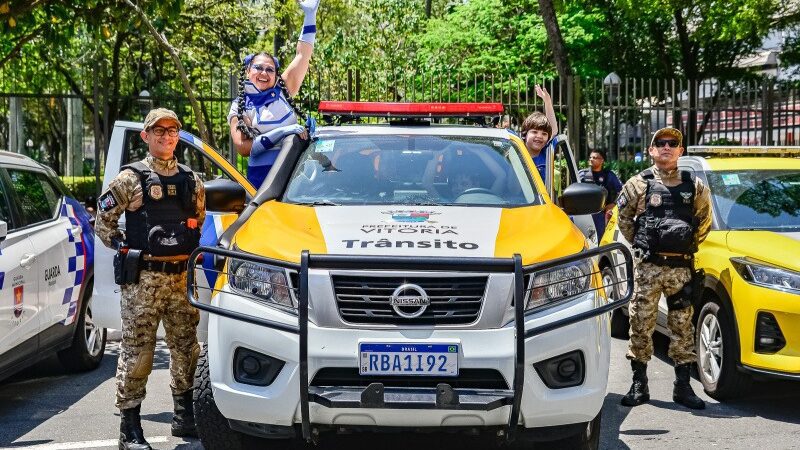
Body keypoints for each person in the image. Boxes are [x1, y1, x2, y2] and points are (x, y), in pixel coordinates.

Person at [96, 108, 206, 449]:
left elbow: (198, 221)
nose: (166, 136)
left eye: (172, 130)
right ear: (145, 136)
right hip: (143, 282)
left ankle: (183, 415)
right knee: (138, 353)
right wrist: (124, 248)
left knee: (186, 349)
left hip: (180, 280)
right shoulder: (129, 179)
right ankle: (129, 429)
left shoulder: (191, 180)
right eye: (158, 131)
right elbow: (103, 224)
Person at [616, 127, 711, 410]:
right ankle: (639, 384)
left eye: (673, 143)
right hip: (648, 268)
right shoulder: (637, 184)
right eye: (660, 143)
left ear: (681, 151)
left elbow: (703, 222)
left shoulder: (694, 186)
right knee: (640, 325)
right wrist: (645, 244)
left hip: (680, 270)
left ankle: (683, 386)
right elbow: (624, 220)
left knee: (682, 327)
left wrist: (682, 244)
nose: (666, 147)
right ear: (651, 150)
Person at [229, 0, 320, 188]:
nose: (264, 73)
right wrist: (282, 133)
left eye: (270, 70)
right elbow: (243, 148)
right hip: (263, 180)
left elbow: (302, 55)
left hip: (295, 175)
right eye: (258, 68)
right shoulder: (240, 106)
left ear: (276, 74)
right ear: (248, 71)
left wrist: (310, 16)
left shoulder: (284, 91)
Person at [578, 150, 623, 237]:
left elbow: (622, 191)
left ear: (602, 160)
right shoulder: (582, 174)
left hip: (602, 214)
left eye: (594, 158)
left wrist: (613, 204)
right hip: (584, 213)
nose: (591, 159)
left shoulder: (609, 175)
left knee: (601, 240)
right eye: (590, 157)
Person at [520, 84, 558, 182]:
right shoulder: (516, 152)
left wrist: (548, 102)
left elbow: (553, 130)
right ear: (525, 134)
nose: (539, 136)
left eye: (544, 134)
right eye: (534, 132)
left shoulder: (546, 152)